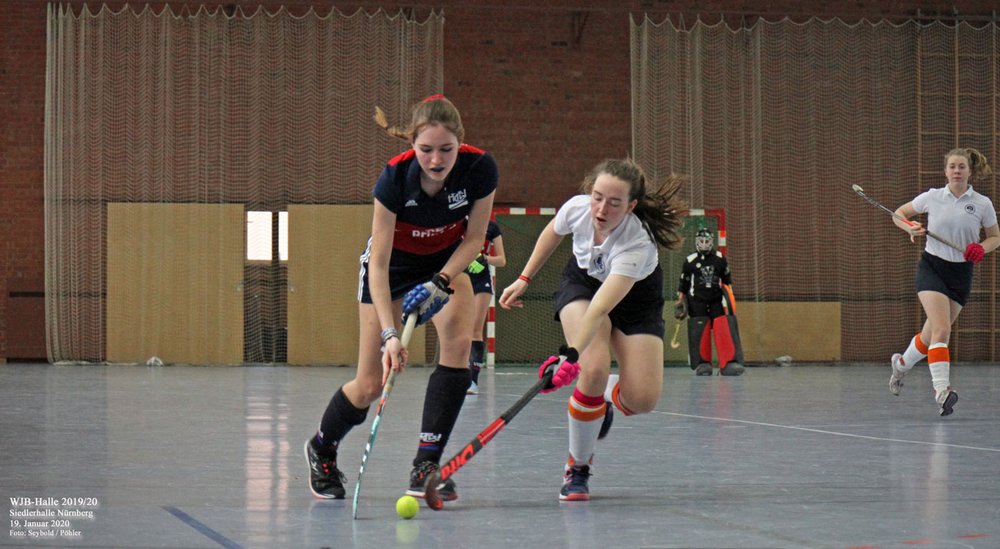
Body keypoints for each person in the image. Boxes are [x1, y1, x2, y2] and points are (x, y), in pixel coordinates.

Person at [304, 94, 498, 501]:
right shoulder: (393, 179)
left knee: (460, 344)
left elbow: (475, 239)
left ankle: (426, 464)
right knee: (371, 384)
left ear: (460, 143)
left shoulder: (480, 168)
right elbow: (377, 264)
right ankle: (322, 447)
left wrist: (441, 281)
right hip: (390, 269)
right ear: (412, 143)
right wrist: (390, 335)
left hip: (445, 263)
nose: (436, 160)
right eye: (426, 149)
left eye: (446, 149)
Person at [499, 158, 687, 501]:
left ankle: (604, 395)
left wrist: (568, 356)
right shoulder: (577, 208)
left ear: (630, 206)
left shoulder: (636, 243)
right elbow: (552, 232)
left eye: (614, 203)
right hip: (583, 284)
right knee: (594, 367)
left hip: (635, 299)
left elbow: (602, 308)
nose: (601, 209)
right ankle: (578, 467)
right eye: (597, 197)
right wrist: (524, 278)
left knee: (642, 400)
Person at [888, 147, 999, 416]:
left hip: (961, 275)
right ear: (946, 171)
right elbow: (898, 214)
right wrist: (910, 227)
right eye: (952, 166)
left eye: (962, 167)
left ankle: (901, 365)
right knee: (942, 330)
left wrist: (981, 248)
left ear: (970, 171)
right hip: (933, 268)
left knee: (929, 337)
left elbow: (995, 237)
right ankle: (942, 391)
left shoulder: (982, 203)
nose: (957, 171)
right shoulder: (932, 197)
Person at [676, 227, 746, 376]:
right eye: (701, 241)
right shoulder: (690, 261)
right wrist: (680, 303)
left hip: (716, 300)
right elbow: (683, 284)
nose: (704, 244)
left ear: (711, 242)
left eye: (707, 241)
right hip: (697, 302)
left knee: (723, 327)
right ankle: (703, 364)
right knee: (700, 330)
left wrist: (730, 302)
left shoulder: (720, 258)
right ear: (696, 242)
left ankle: (728, 363)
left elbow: (727, 283)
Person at [466, 219, 506, 395]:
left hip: (481, 281)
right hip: (460, 278)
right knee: (459, 330)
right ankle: (457, 375)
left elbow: (502, 260)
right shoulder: (457, 221)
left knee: (475, 329)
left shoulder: (491, 227)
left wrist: (485, 259)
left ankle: (472, 381)